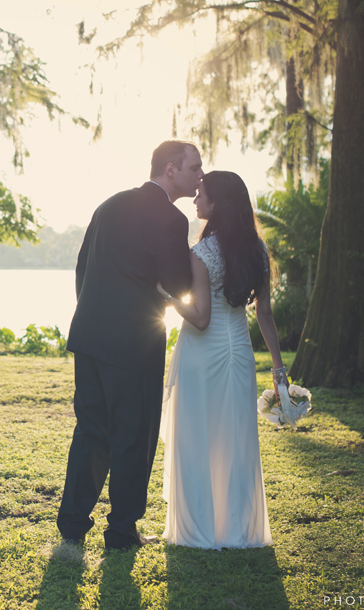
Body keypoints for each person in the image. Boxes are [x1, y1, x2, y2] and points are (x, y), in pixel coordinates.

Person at [58, 140, 203, 550]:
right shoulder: (172, 220)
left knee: (90, 430)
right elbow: (177, 285)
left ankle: (72, 522)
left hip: (89, 336)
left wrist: (92, 315)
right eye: (194, 168)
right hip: (134, 345)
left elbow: (82, 267)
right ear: (170, 169)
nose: (199, 176)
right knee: (132, 437)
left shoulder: (109, 204)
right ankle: (122, 530)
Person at [156, 170, 281, 549]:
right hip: (239, 352)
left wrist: (166, 295)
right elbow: (264, 315)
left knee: (197, 437)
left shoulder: (201, 253)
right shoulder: (257, 251)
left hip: (202, 352)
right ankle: (238, 529)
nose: (195, 201)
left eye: (201, 195)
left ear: (217, 204)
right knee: (235, 438)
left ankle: (199, 531)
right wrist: (279, 369)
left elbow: (201, 317)